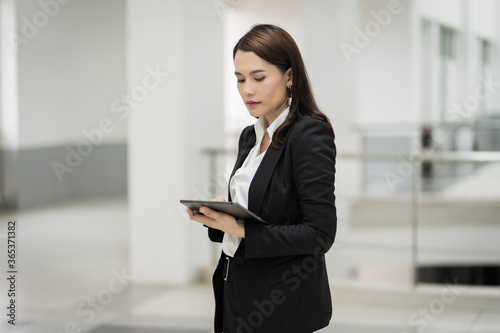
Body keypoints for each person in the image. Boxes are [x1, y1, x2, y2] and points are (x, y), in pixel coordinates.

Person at [187, 24, 336, 333]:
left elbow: (320, 234)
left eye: (258, 78)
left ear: (290, 77)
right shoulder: (250, 136)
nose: (247, 90)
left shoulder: (308, 134)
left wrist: (240, 228)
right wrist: (219, 215)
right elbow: (259, 210)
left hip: (281, 302)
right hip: (234, 286)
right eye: (240, 79)